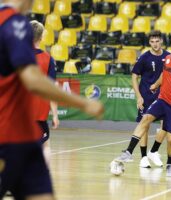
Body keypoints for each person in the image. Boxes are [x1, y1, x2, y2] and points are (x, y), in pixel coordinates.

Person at [0, 1, 104, 199]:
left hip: (25, 137)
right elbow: (34, 81)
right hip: (8, 135)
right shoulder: (14, 23)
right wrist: (84, 103)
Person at [113, 33, 171, 176]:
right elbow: (164, 74)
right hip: (162, 100)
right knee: (145, 119)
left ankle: (170, 163)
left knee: (170, 139)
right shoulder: (168, 58)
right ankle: (128, 152)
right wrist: (156, 84)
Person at [131, 30, 170, 168]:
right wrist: (139, 96)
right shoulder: (144, 58)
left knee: (166, 125)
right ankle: (143, 158)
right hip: (146, 96)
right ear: (149, 43)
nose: (155, 44)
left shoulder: (168, 56)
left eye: (157, 41)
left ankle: (154, 151)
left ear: (162, 41)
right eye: (152, 41)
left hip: (164, 96)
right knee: (145, 126)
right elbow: (134, 76)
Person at [30, 20, 59, 166]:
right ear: (41, 37)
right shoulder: (48, 59)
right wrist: (55, 114)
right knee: (45, 145)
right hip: (38, 113)